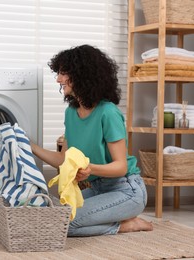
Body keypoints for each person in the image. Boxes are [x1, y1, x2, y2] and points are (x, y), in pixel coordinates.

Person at [31, 44, 153, 236]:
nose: (58, 79)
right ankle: (114, 217)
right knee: (54, 218)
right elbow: (64, 160)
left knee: (65, 225)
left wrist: (90, 169)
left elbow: (121, 167)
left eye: (63, 73)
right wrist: (30, 147)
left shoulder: (108, 112)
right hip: (99, 188)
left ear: (81, 74)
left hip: (126, 190)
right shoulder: (71, 113)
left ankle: (126, 225)